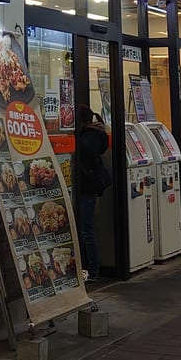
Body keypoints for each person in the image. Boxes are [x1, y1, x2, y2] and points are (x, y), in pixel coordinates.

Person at [76, 105, 111, 282]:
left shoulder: (89, 137)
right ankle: (90, 268)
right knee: (85, 229)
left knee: (86, 230)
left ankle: (93, 271)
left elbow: (83, 153)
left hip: (86, 189)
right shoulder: (94, 134)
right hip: (87, 188)